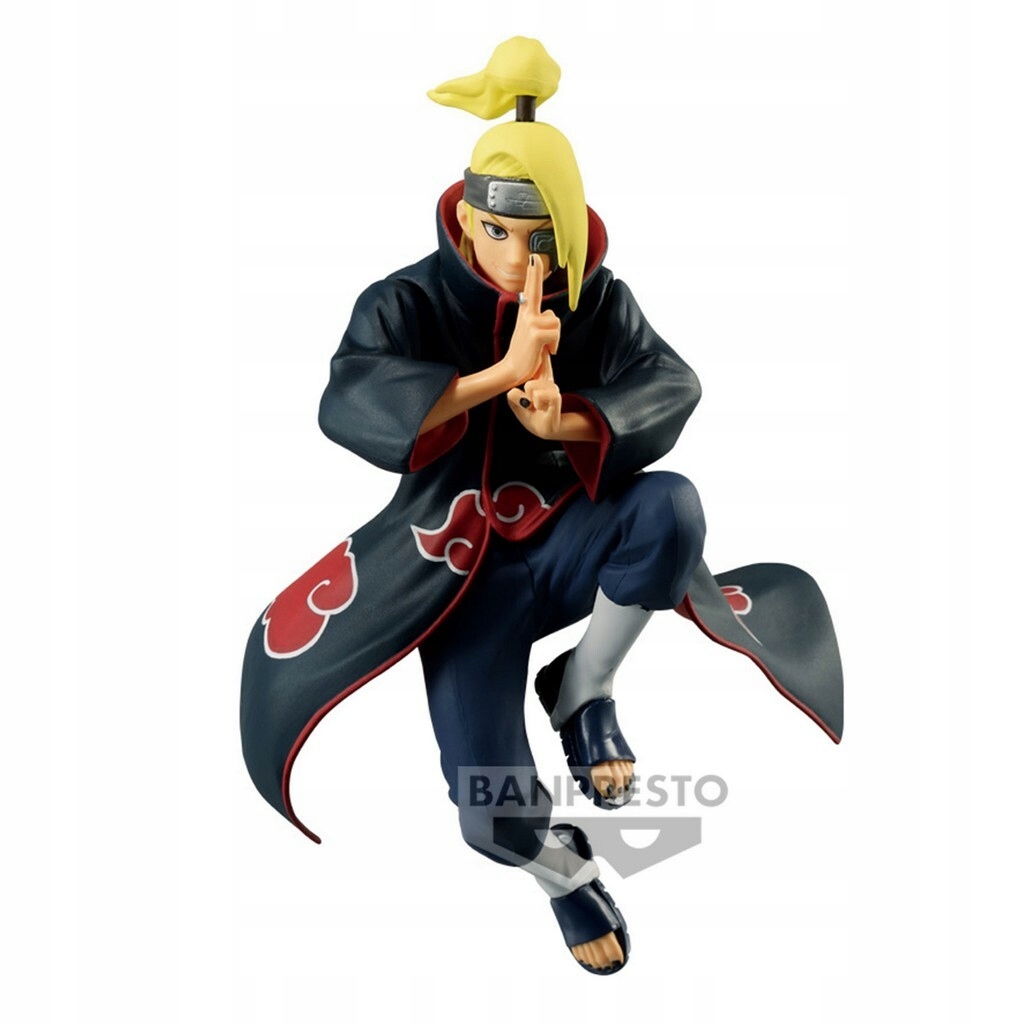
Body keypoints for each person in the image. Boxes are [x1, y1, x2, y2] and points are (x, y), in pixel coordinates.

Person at [240, 37, 843, 976]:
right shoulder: (404, 300)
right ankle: (565, 873)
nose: (521, 260)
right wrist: (497, 377)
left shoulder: (598, 300)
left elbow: (672, 383)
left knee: (671, 510)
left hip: (567, 541)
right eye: (498, 233)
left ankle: (582, 687)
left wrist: (567, 420)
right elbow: (347, 399)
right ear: (465, 217)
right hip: (454, 576)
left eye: (541, 240)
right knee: (491, 814)